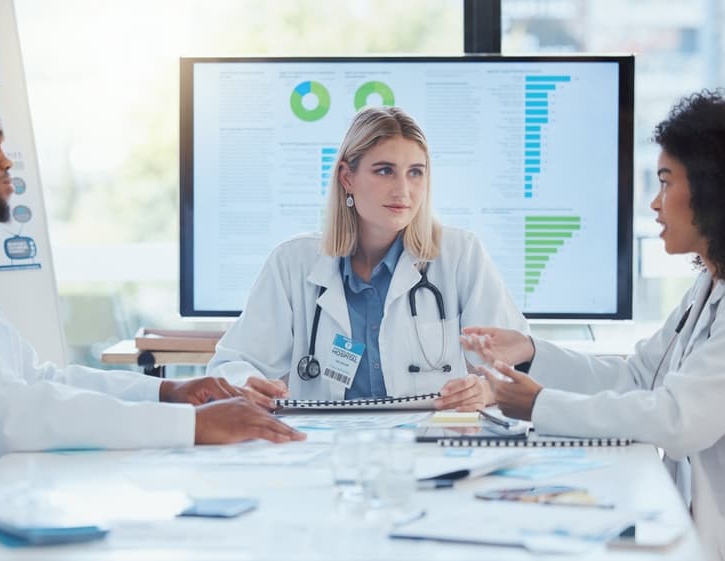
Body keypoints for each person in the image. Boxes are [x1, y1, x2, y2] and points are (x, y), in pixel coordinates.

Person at [0, 80, 303, 510]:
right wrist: (188, 425)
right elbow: (0, 418)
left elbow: (35, 379)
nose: (7, 162)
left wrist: (166, 393)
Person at [461, 91, 725, 559]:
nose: (654, 204)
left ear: (719, 190)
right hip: (697, 533)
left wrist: (538, 405)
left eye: (666, 182)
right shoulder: (715, 284)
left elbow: (680, 420)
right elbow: (639, 378)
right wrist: (531, 352)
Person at [208, 107, 527, 410]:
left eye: (415, 173)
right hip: (324, 440)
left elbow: (515, 364)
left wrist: (486, 390)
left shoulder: (460, 255)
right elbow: (232, 364)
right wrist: (246, 384)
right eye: (385, 171)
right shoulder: (292, 263)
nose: (403, 190)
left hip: (429, 436)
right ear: (347, 177)